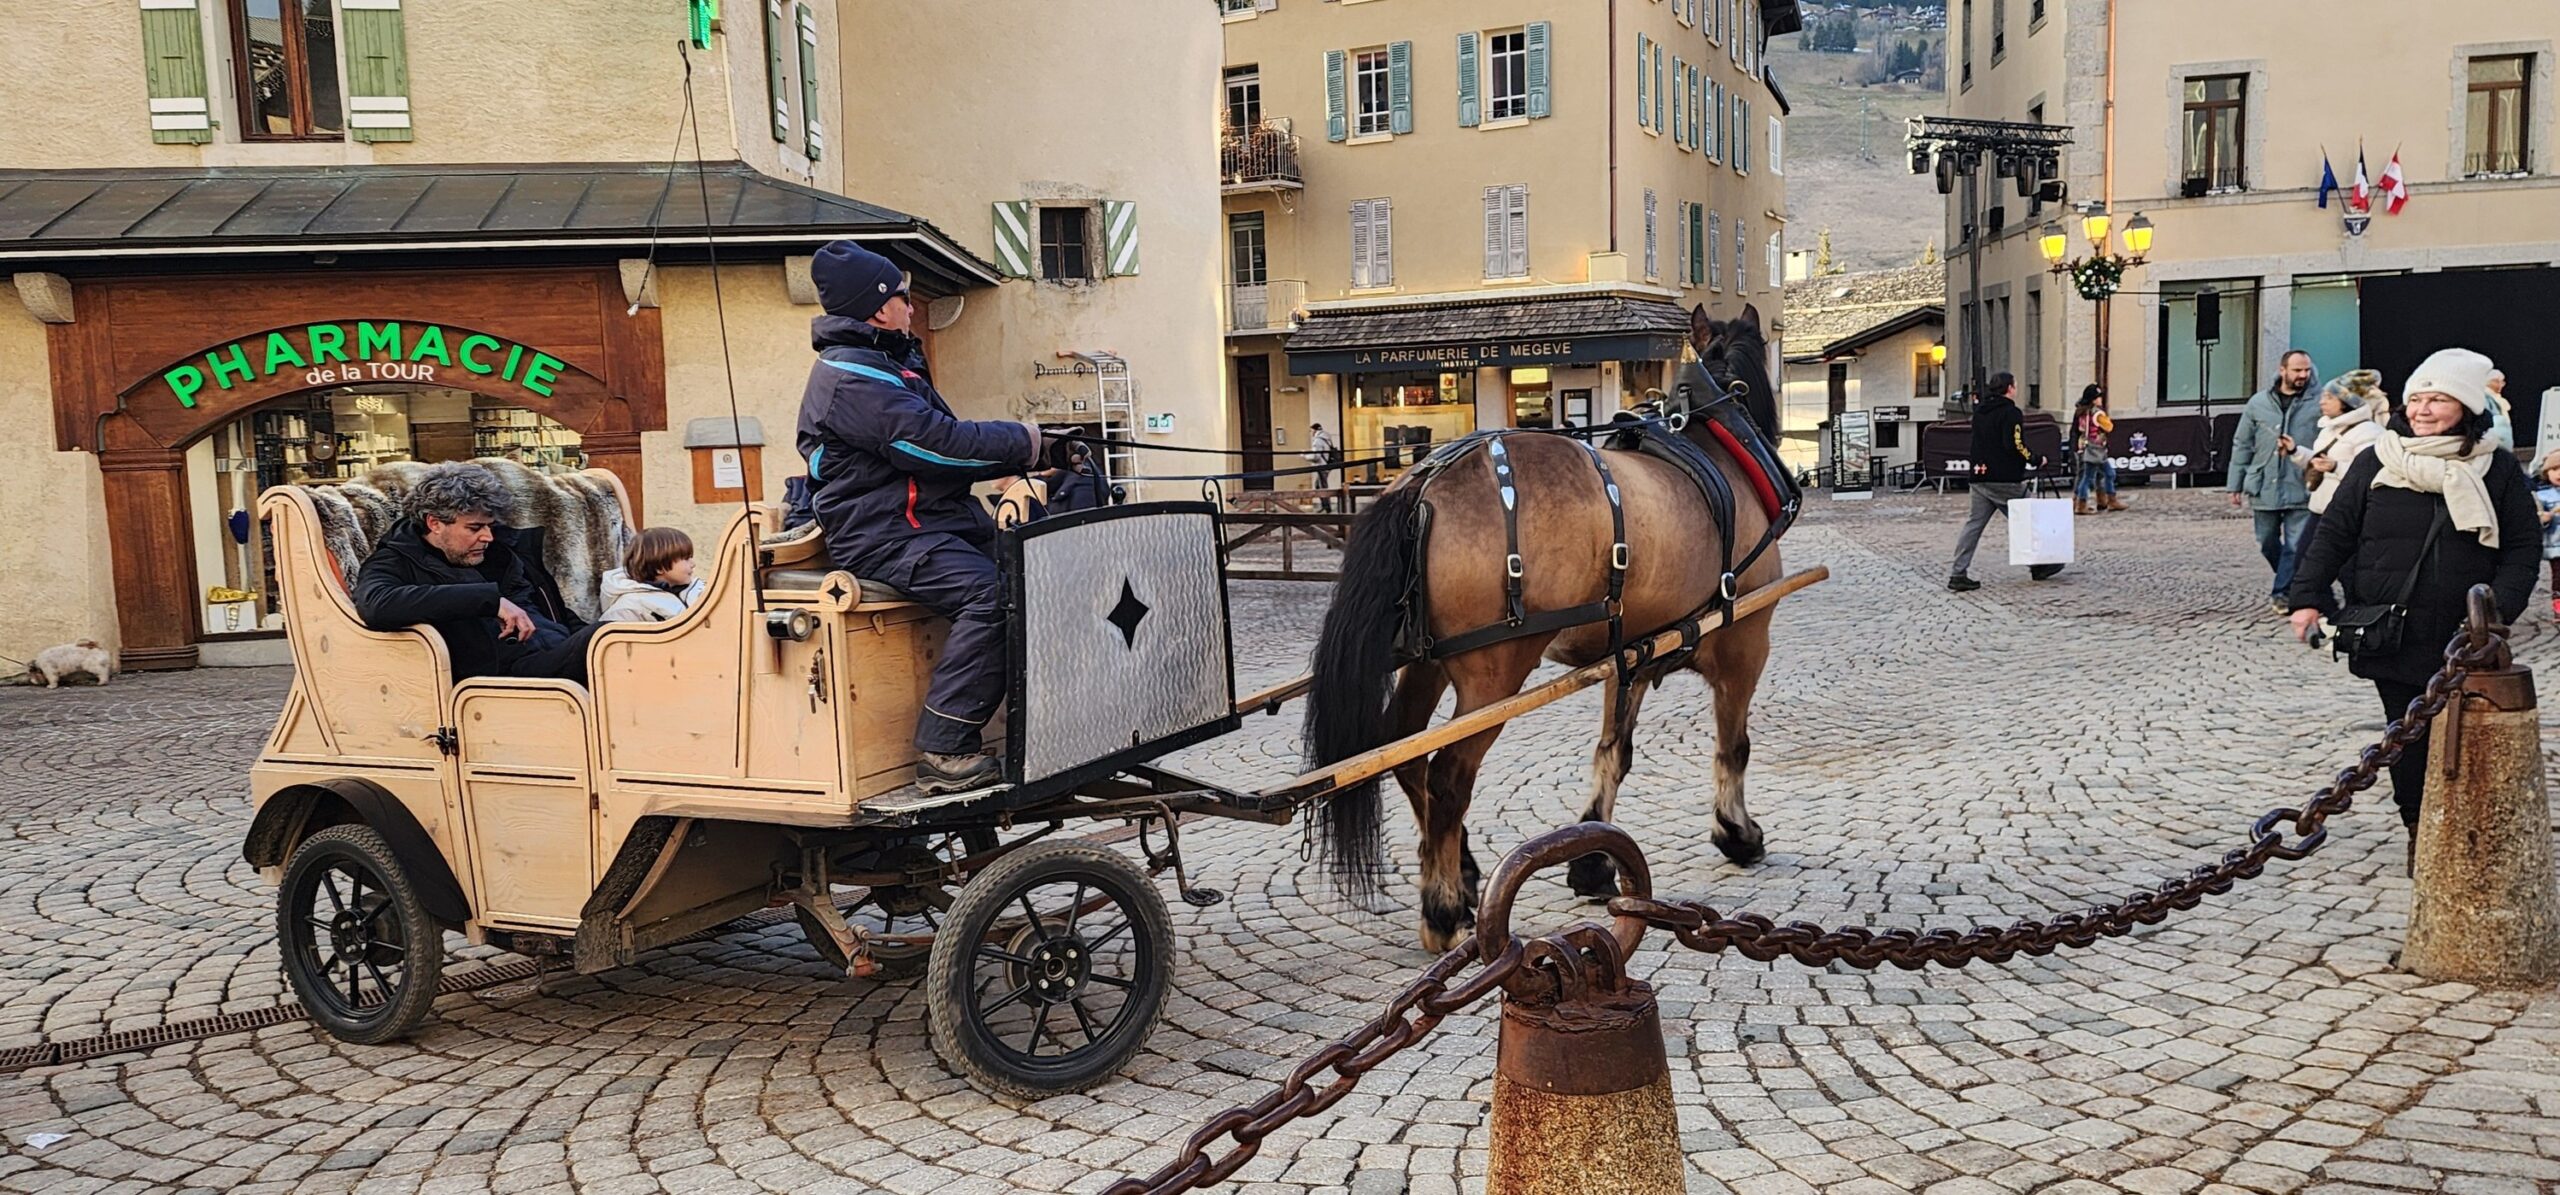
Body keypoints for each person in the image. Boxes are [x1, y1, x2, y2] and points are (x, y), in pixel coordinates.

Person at [795, 239, 1051, 793]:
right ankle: (943, 748)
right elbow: (933, 447)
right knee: (991, 594)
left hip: (929, 521)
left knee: (1039, 571)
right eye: (904, 297)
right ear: (878, 307)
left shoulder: (884, 363)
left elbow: (940, 454)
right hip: (887, 532)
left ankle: (1043, 716)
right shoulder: (851, 378)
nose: (912, 307)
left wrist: (1029, 454)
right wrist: (1028, 443)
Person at [2288, 348, 2539, 870]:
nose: (2423, 410)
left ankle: (2465, 826)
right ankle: (2419, 831)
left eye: (2438, 399)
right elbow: (2334, 533)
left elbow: (2521, 548)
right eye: (2417, 398)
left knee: (2467, 736)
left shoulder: (2494, 469)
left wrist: (2498, 612)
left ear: (2466, 406)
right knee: (2408, 735)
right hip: (2391, 626)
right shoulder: (2379, 459)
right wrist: (2308, 598)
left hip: (2464, 632)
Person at [353, 462, 601, 684]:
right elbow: (377, 604)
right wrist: (490, 601)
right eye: (474, 527)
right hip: (502, 679)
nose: (487, 536)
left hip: (552, 655)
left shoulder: (501, 550)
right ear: (434, 523)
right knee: (608, 643)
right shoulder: (397, 559)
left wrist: (581, 634)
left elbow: (554, 610)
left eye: (489, 526)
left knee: (614, 637)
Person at [2229, 349, 2325, 614]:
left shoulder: (2319, 402)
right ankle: (2292, 579)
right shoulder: (2258, 403)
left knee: (2295, 545)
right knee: (2267, 541)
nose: (2303, 375)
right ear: (2283, 370)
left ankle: (2282, 593)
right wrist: (2234, 484)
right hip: (2264, 483)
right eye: (2297, 370)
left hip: (2302, 483)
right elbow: (2242, 443)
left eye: (2306, 370)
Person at [1947, 372, 2063, 591]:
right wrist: (2036, 459)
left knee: (1974, 525)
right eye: (2016, 385)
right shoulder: (2011, 413)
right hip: (2004, 478)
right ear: (2010, 388)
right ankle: (2040, 564)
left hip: (1980, 475)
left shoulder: (1980, 411)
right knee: (2029, 520)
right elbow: (2015, 444)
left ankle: (1958, 572)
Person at [2290, 370, 2391, 533]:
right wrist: (2294, 451)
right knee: (2303, 557)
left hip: (2345, 513)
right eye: (2323, 396)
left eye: (2329, 397)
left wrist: (2335, 467)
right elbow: (2322, 460)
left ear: (2347, 401)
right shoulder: (2328, 429)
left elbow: (2367, 475)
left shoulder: (2369, 432)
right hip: (2319, 508)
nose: (2322, 402)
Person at [597, 527, 707, 623]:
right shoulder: (629, 608)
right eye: (686, 559)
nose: (693, 564)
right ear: (660, 567)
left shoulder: (697, 591)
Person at [2070, 385, 2125, 515]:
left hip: (2090, 447)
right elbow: (2108, 426)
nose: (2101, 399)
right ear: (2093, 400)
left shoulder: (2082, 411)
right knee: (2087, 476)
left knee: (2102, 474)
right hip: (2092, 449)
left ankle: (2105, 500)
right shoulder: (2095, 413)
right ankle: (2080, 503)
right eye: (2098, 397)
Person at [2534, 449, 2560, 618]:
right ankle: (2558, 605)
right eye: (2554, 469)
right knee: (2558, 576)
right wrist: (2545, 518)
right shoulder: (2543, 496)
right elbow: (2538, 519)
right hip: (2556, 544)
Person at [1304, 422, 1341, 512]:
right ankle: (1325, 506)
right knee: (1319, 485)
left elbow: (1316, 456)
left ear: (1314, 430)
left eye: (1311, 430)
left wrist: (1305, 456)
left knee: (1322, 487)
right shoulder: (1327, 437)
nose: (1311, 433)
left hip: (1321, 465)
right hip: (1327, 464)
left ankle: (1326, 507)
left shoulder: (1318, 441)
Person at [2486, 368, 2515, 453]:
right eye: (2501, 382)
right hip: (2495, 444)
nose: (2502, 385)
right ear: (2493, 382)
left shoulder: (2496, 398)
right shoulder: (2487, 398)